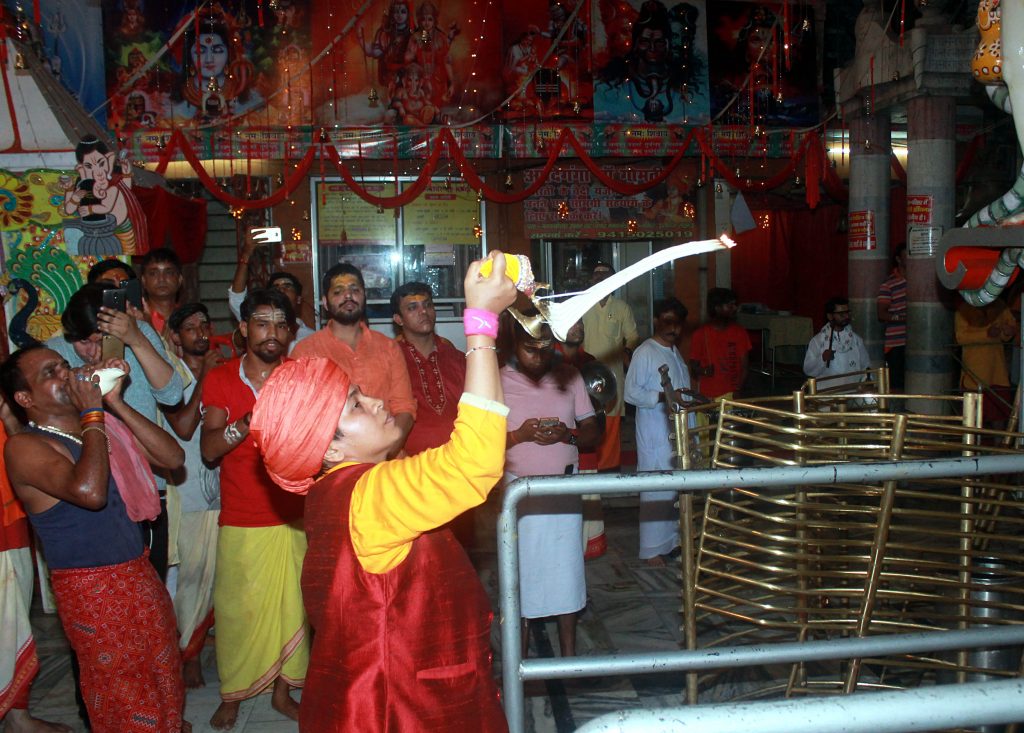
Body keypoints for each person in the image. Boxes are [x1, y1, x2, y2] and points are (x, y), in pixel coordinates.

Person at [247, 251, 516, 732]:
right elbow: (475, 460)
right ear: (328, 449)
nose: (374, 401)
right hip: (407, 706)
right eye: (353, 405)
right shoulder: (372, 497)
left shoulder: (332, 491)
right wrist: (480, 323)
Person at [1, 346, 186, 733]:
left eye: (65, 366)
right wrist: (93, 413)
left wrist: (114, 402)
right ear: (25, 398)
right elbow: (89, 492)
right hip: (92, 591)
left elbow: (172, 457)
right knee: (126, 695)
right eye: (52, 372)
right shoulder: (25, 446)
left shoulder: (96, 426)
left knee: (164, 679)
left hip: (137, 570)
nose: (67, 375)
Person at [200, 289, 308, 729]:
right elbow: (209, 449)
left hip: (295, 514)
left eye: (282, 324)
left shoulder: (300, 377)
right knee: (236, 609)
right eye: (263, 322)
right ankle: (235, 692)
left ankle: (283, 691)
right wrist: (246, 423)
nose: (273, 333)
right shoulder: (222, 379)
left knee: (296, 605)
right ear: (243, 328)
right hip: (243, 515)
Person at [503, 313, 600, 658]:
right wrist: (520, 435)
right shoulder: (498, 380)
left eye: (545, 349)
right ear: (514, 344)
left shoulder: (568, 375)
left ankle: (569, 658)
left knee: (567, 573)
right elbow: (478, 441)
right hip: (519, 493)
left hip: (562, 490)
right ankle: (520, 661)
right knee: (521, 576)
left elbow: (592, 429)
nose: (539, 357)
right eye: (530, 349)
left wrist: (568, 433)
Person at [292, 263, 416, 455]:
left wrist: (384, 454)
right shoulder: (306, 352)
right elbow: (301, 418)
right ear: (325, 303)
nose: (348, 296)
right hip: (336, 462)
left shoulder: (388, 347)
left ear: (364, 296)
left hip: (390, 459)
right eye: (338, 291)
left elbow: (404, 408)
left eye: (355, 289)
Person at [0, 402, 72, 733]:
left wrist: (7, 415)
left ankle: (16, 715)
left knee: (11, 623)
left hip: (9, 523)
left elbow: (21, 446)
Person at [165, 303, 223, 689]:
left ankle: (197, 647)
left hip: (219, 487)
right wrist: (208, 378)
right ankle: (184, 655)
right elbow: (184, 428)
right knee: (188, 578)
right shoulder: (169, 377)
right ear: (175, 337)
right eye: (190, 328)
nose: (200, 333)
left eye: (204, 325)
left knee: (213, 575)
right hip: (184, 491)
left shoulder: (225, 367)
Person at [625, 297, 694, 565]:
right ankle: (651, 550)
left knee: (674, 491)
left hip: (677, 430)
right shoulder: (645, 352)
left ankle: (671, 543)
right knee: (656, 490)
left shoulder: (674, 352)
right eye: (667, 322)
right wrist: (663, 397)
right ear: (656, 321)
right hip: (656, 432)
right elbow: (631, 393)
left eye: (677, 324)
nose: (672, 329)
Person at [390, 282, 465, 455]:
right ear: (398, 319)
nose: (423, 311)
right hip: (408, 469)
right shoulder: (390, 359)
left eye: (428, 305)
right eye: (412, 307)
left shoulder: (456, 358)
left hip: (460, 463)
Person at [555, 320, 606, 559]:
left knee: (584, 521)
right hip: (556, 452)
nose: (576, 327)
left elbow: (599, 404)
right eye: (571, 322)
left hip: (585, 447)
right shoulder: (547, 361)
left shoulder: (590, 362)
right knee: (560, 528)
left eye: (581, 323)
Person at [581, 261, 639, 470]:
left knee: (611, 424)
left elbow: (632, 336)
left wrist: (627, 351)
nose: (600, 277)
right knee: (585, 420)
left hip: (612, 376)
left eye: (605, 274)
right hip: (584, 375)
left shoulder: (622, 308)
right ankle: (587, 468)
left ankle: (609, 470)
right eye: (596, 274)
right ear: (591, 279)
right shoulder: (582, 304)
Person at [59, 136, 148, 256]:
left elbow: (125, 194)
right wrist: (71, 192)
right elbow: (69, 209)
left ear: (109, 159)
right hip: (92, 234)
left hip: (121, 232)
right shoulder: (83, 183)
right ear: (81, 167)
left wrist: (126, 175)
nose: (97, 170)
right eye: (89, 166)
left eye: (101, 163)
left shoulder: (115, 179)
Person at [227, 232, 315, 350]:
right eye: (276, 287)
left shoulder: (312, 337)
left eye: (287, 286)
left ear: (299, 298)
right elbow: (236, 296)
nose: (281, 289)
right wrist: (247, 254)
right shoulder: (257, 317)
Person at [955, 297, 1017, 426]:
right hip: (974, 371)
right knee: (973, 414)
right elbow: (961, 337)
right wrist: (986, 334)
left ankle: (1000, 444)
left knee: (999, 412)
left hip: (997, 369)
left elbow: (1011, 325)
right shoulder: (964, 309)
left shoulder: (1000, 305)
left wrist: (1008, 332)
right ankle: (970, 443)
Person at [689, 287, 751, 399]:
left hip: (732, 395)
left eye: (735, 304)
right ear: (717, 308)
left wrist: (738, 390)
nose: (735, 308)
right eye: (730, 305)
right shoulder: (700, 334)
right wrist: (704, 370)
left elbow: (745, 367)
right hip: (708, 396)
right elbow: (694, 368)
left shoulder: (739, 332)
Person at [803, 297, 871, 388]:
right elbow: (808, 370)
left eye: (847, 312)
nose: (846, 316)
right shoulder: (818, 341)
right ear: (830, 316)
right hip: (827, 394)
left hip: (852, 393)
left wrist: (866, 380)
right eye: (841, 314)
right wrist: (822, 359)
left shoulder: (856, 339)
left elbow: (866, 366)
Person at [877, 246, 908, 392]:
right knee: (897, 384)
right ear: (898, 259)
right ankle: (897, 413)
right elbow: (881, 314)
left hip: (915, 341)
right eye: (906, 254)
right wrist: (903, 318)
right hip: (896, 343)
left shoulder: (918, 280)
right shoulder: (889, 284)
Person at [139, 247, 184, 336]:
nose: (161, 279)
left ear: (179, 280)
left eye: (169, 273)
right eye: (153, 273)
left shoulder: (191, 319)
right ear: (144, 281)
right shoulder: (137, 319)